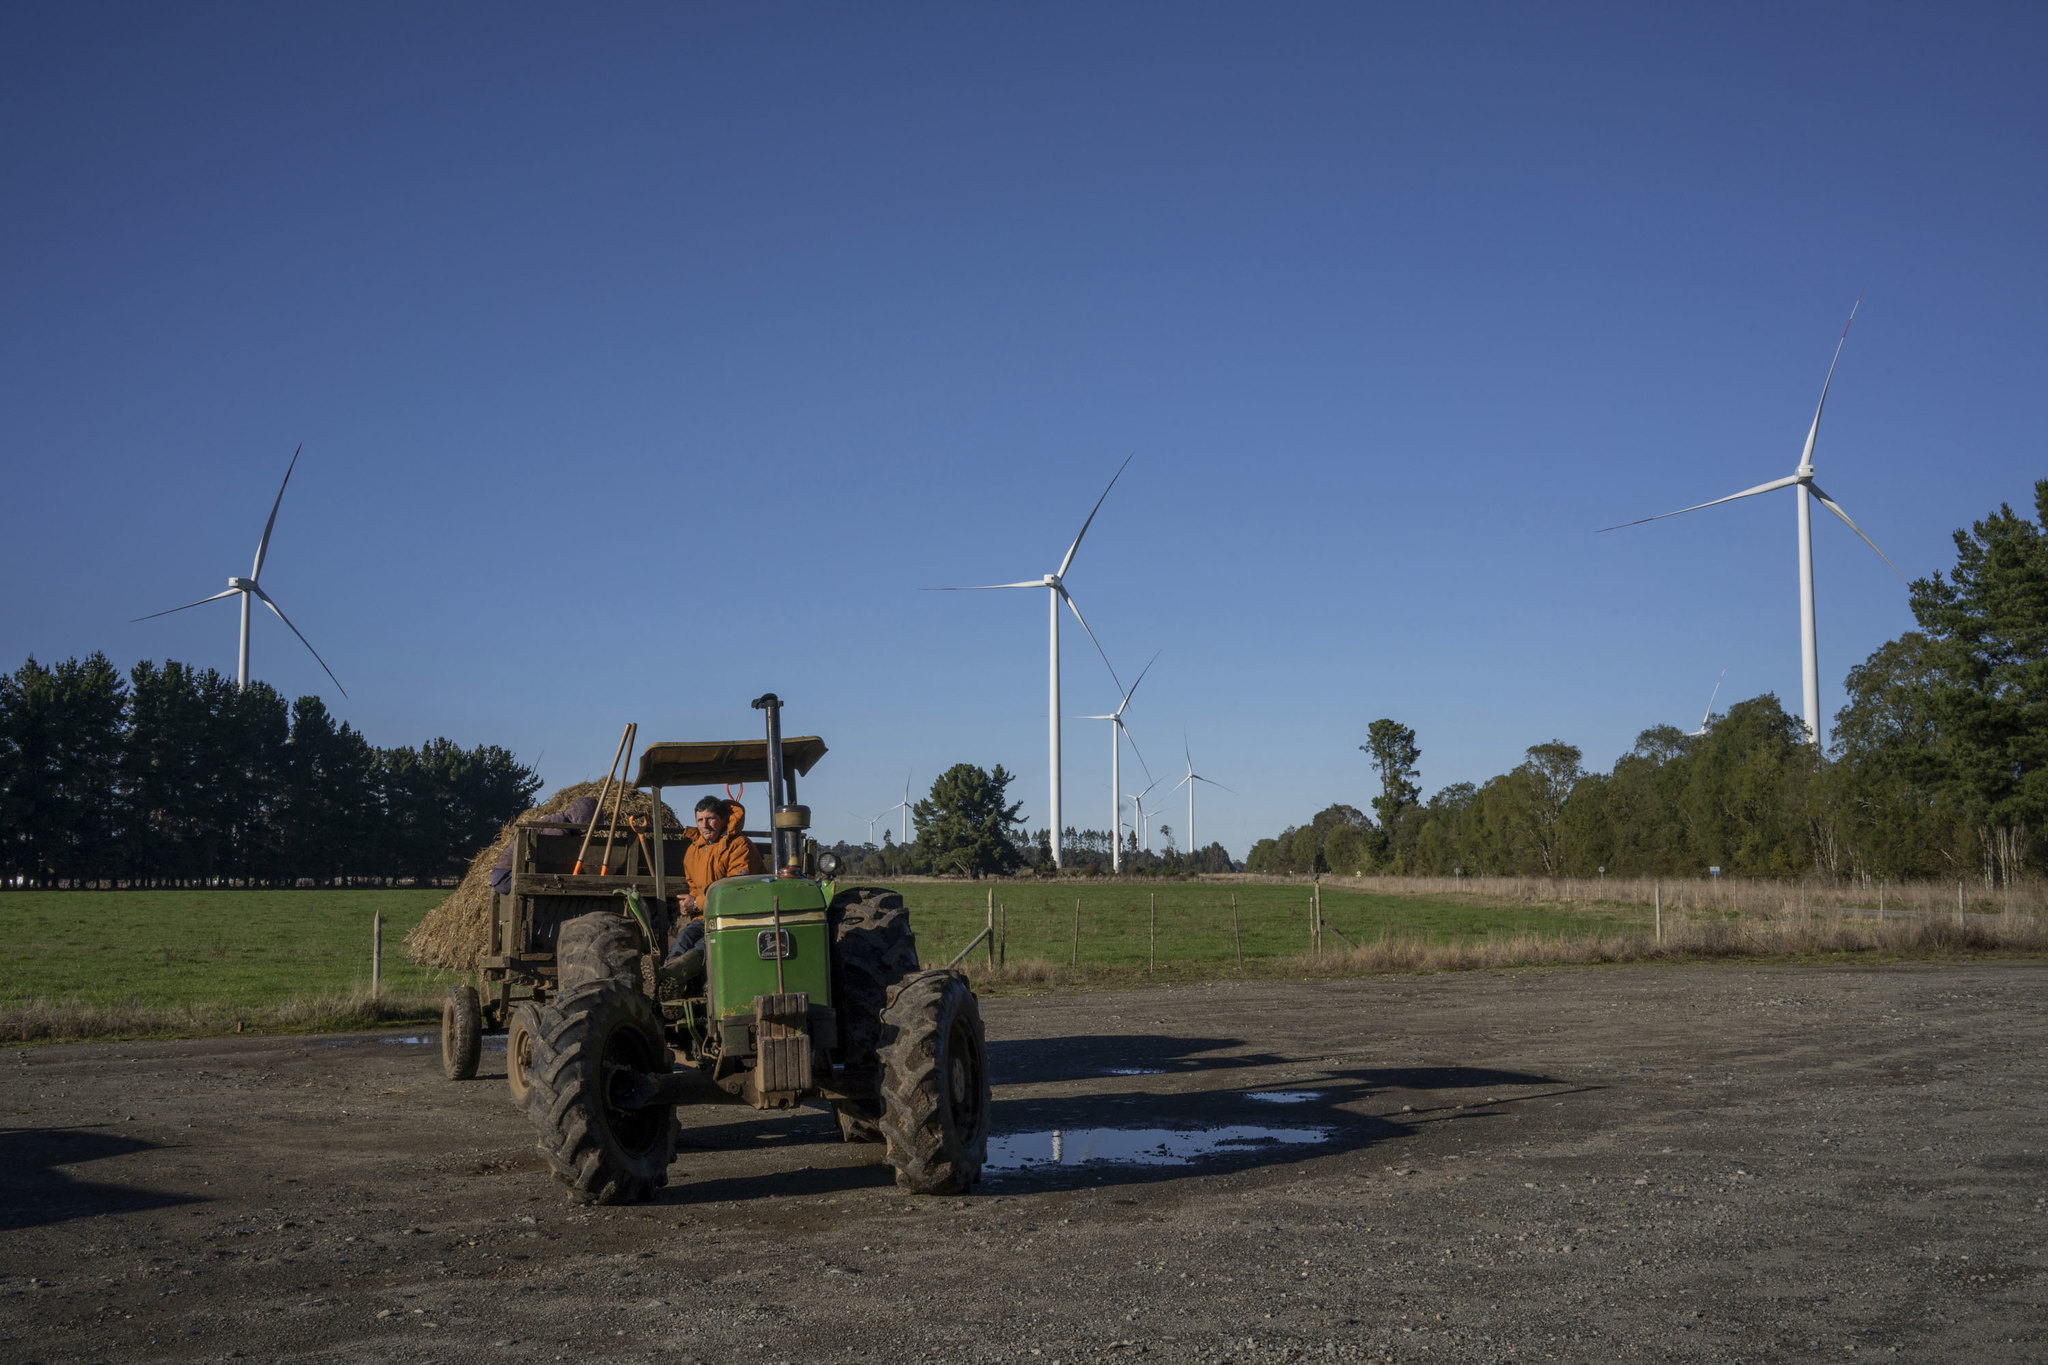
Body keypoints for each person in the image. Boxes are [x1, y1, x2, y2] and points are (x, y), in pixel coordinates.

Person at [664, 796, 764, 972]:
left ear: (723, 819)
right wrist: (688, 905)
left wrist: (695, 903)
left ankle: (677, 973)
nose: (705, 825)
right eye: (700, 820)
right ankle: (667, 976)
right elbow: (694, 888)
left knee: (706, 945)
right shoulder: (693, 851)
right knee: (684, 937)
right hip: (705, 916)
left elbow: (734, 890)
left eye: (710, 819)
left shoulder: (739, 846)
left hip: (734, 916)